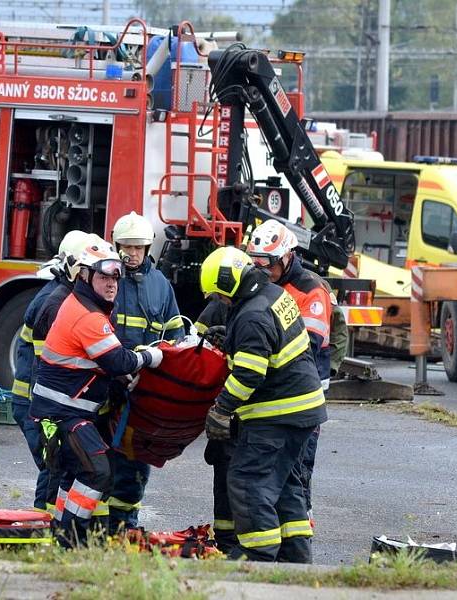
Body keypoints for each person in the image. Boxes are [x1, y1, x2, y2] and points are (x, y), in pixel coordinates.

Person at [29, 240, 163, 548]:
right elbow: (117, 360)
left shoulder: (84, 306)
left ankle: (62, 538)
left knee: (72, 474)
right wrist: (150, 358)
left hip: (61, 411)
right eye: (104, 276)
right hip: (63, 414)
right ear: (85, 277)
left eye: (116, 276)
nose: (112, 283)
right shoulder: (87, 316)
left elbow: (98, 363)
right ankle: (71, 536)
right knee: (98, 470)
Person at [200, 246, 326, 563]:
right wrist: (230, 337)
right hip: (303, 410)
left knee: (247, 479)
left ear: (228, 284)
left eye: (219, 295)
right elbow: (268, 343)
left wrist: (221, 409)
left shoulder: (251, 316)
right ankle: (296, 559)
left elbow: (248, 374)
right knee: (284, 484)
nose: (220, 302)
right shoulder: (269, 293)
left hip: (276, 413)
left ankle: (257, 555)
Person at [245, 219, 332, 522]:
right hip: (273, 392)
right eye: (255, 264)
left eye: (267, 264)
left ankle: (300, 534)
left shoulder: (310, 289)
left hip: (305, 394)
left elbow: (309, 343)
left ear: (286, 256)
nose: (261, 271)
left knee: (298, 467)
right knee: (271, 468)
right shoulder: (263, 285)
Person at [107, 211, 184, 532]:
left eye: (139, 247)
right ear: (116, 245)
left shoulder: (160, 285)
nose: (132, 254)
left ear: (148, 248)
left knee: (136, 462)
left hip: (143, 392)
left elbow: (174, 334)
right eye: (127, 247)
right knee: (100, 463)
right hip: (108, 387)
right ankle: (99, 528)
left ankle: (125, 527)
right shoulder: (107, 279)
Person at [11, 229, 88, 513]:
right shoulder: (54, 304)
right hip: (36, 403)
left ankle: (48, 524)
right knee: (53, 463)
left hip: (35, 400)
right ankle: (44, 525)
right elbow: (50, 370)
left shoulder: (65, 295)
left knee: (56, 463)